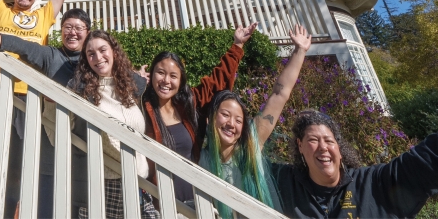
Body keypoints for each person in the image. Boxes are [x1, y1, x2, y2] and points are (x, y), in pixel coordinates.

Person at [269, 95, 438, 218]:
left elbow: (427, 163)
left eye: (329, 141)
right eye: (313, 140)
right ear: (300, 147)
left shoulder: (375, 184)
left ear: (339, 149)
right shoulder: (282, 183)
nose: (323, 147)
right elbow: (239, 159)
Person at [0, 7, 93, 218]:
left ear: (88, 32)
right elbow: (25, 47)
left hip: (87, 151)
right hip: (52, 149)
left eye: (78, 28)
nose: (72, 32)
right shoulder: (52, 56)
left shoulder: (95, 61)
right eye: (67, 27)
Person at [199, 24, 312, 218]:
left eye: (238, 120)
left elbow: (279, 94)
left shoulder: (251, 143)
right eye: (225, 115)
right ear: (211, 119)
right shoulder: (200, 158)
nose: (231, 124)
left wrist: (299, 51)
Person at [141, 22, 256, 207]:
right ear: (152, 74)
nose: (166, 81)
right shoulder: (141, 107)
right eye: (160, 73)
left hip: (198, 201)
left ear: (181, 80)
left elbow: (217, 82)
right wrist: (136, 82)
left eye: (173, 76)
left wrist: (237, 46)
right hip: (159, 203)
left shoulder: (189, 104)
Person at [68, 30, 158, 219]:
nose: (98, 57)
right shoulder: (81, 90)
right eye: (91, 54)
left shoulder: (130, 86)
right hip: (106, 183)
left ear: (114, 52)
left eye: (103, 50)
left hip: (139, 181)